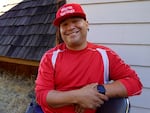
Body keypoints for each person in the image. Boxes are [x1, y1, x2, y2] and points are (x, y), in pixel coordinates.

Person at [35, 3, 143, 113]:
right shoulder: (50, 57)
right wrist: (79, 96)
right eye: (65, 24)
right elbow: (41, 95)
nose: (70, 27)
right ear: (60, 31)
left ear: (87, 24)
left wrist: (98, 91)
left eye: (75, 21)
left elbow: (135, 83)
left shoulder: (105, 55)